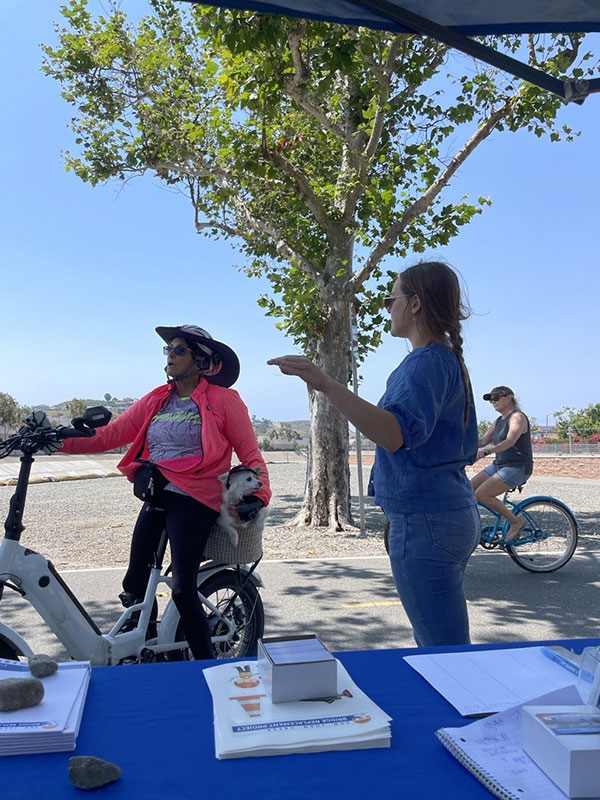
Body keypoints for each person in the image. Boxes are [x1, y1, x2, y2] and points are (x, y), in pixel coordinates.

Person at [268, 261, 480, 647]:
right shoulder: (444, 359)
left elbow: (394, 434)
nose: (387, 307)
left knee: (443, 654)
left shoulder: (426, 362)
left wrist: (324, 383)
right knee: (444, 647)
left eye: (391, 299)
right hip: (447, 511)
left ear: (414, 304)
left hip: (425, 520)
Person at [61, 325, 271, 659]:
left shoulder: (224, 401)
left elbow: (251, 456)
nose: (170, 356)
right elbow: (108, 436)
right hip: (157, 494)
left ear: (201, 360)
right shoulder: (157, 399)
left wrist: (260, 496)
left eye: (179, 350)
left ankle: (210, 669)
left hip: (194, 499)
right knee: (134, 582)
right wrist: (55, 440)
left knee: (183, 590)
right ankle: (147, 643)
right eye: (168, 350)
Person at [471, 386, 533, 541]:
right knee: (467, 490)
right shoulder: (498, 421)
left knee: (482, 494)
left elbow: (510, 441)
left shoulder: (517, 417)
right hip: (499, 465)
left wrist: (487, 451)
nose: (493, 402)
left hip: (517, 467)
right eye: (491, 400)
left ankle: (516, 522)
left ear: (509, 397)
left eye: (496, 398)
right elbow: (483, 441)